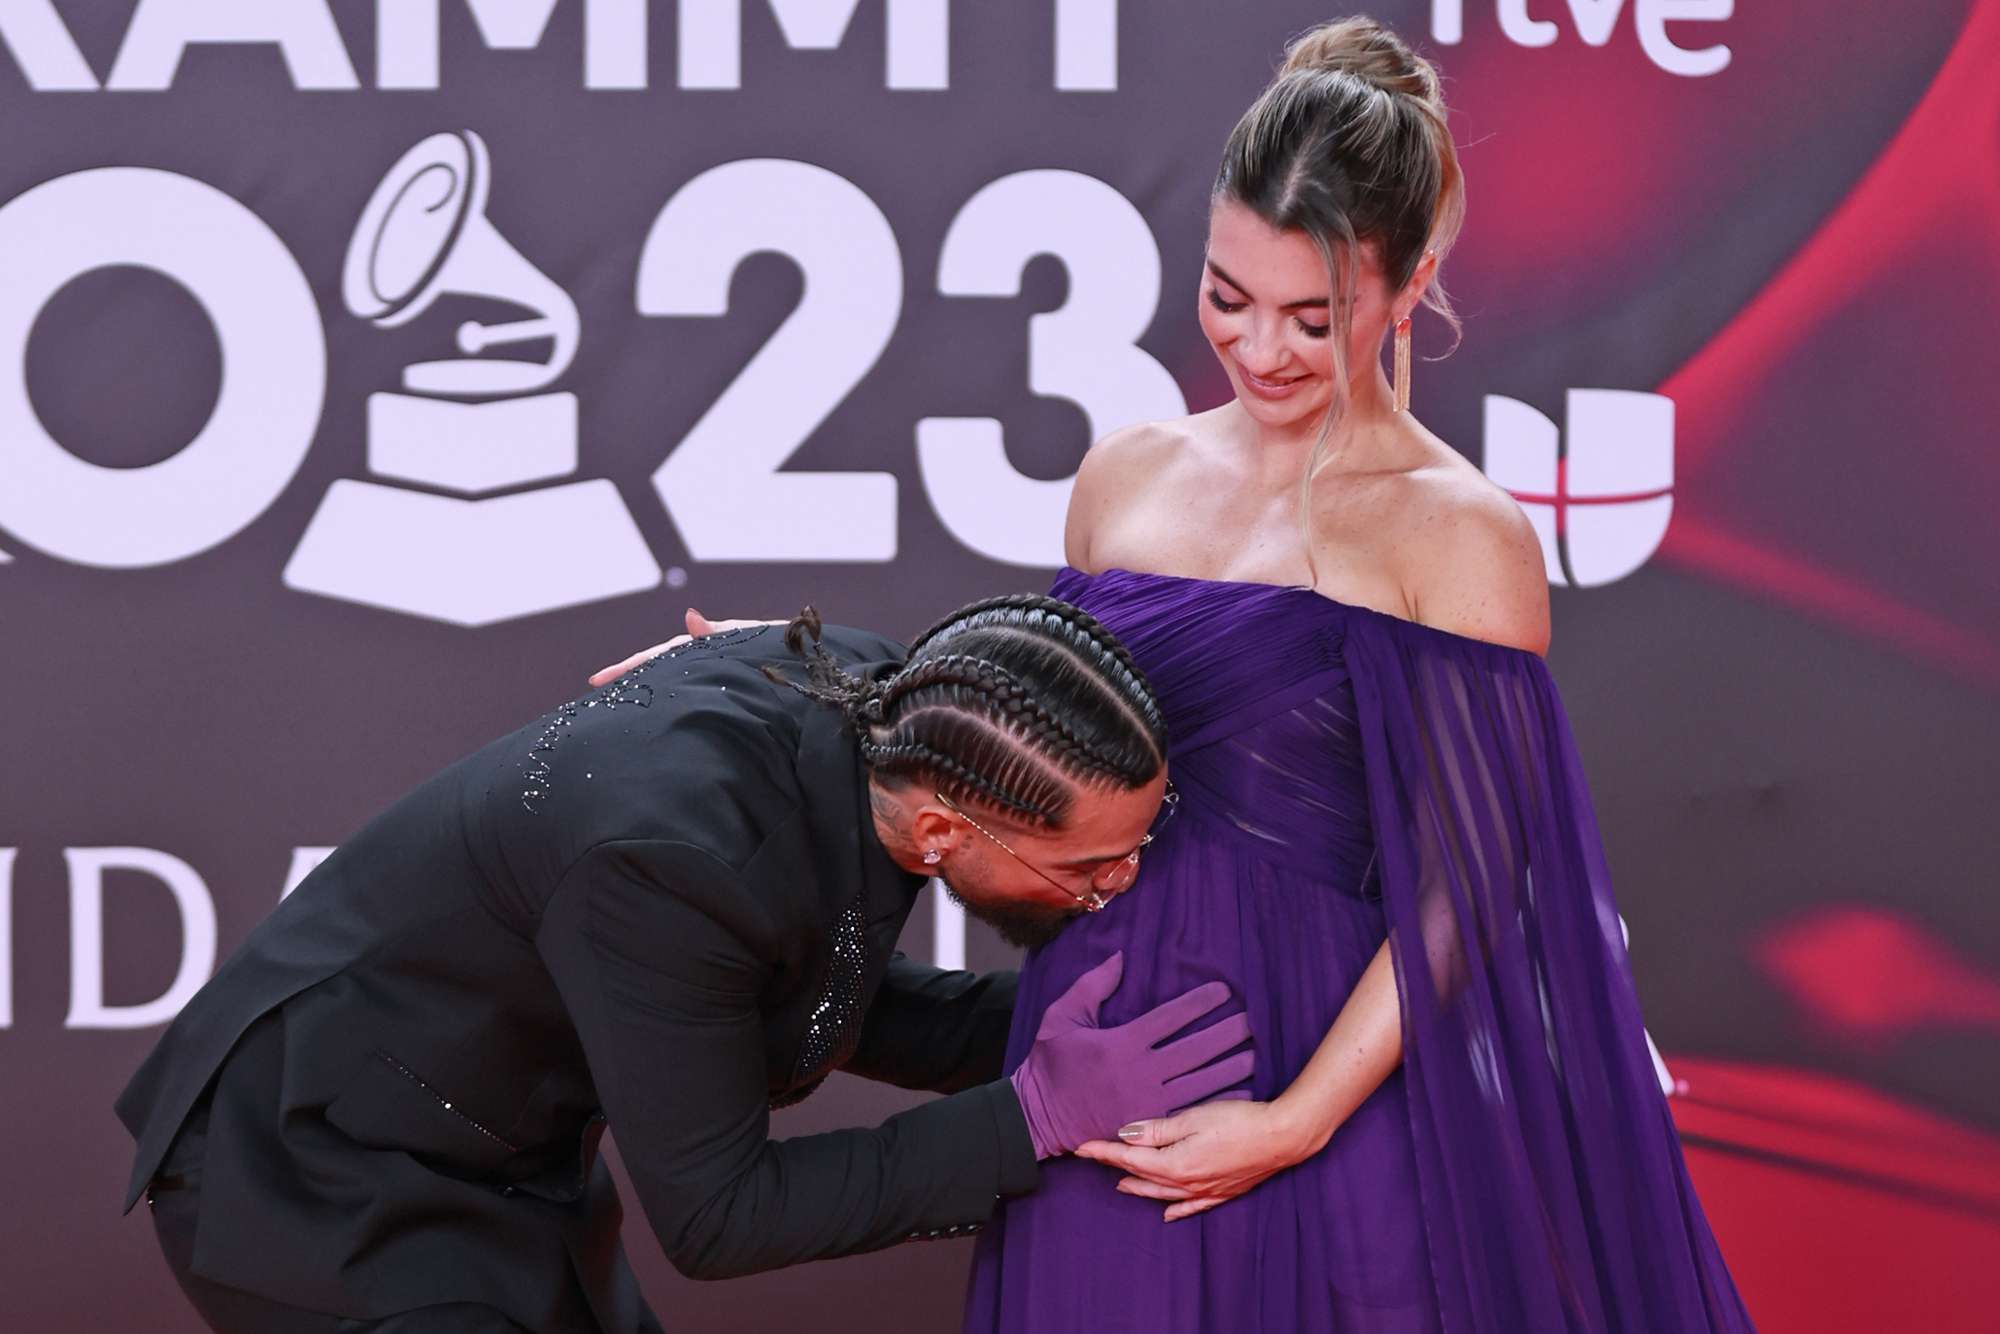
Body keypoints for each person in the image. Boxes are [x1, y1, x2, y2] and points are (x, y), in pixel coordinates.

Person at [604, 16, 1757, 1333]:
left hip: (1325, 1070)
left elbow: (1473, 881)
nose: (1260, 349)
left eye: (1313, 317)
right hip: (1103, 1047)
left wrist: (1296, 1118)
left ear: (1412, 277)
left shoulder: (1459, 530)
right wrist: (770, 662)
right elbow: (1031, 716)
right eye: (1229, 295)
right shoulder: (1127, 474)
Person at [116, 596, 1255, 1333]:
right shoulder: (671, 865)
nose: (1113, 889)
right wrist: (1028, 1115)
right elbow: (720, 1217)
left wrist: (1051, 1030)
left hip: (498, 1145)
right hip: (313, 1160)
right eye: (1091, 869)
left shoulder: (886, 709)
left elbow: (814, 988)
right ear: (948, 832)